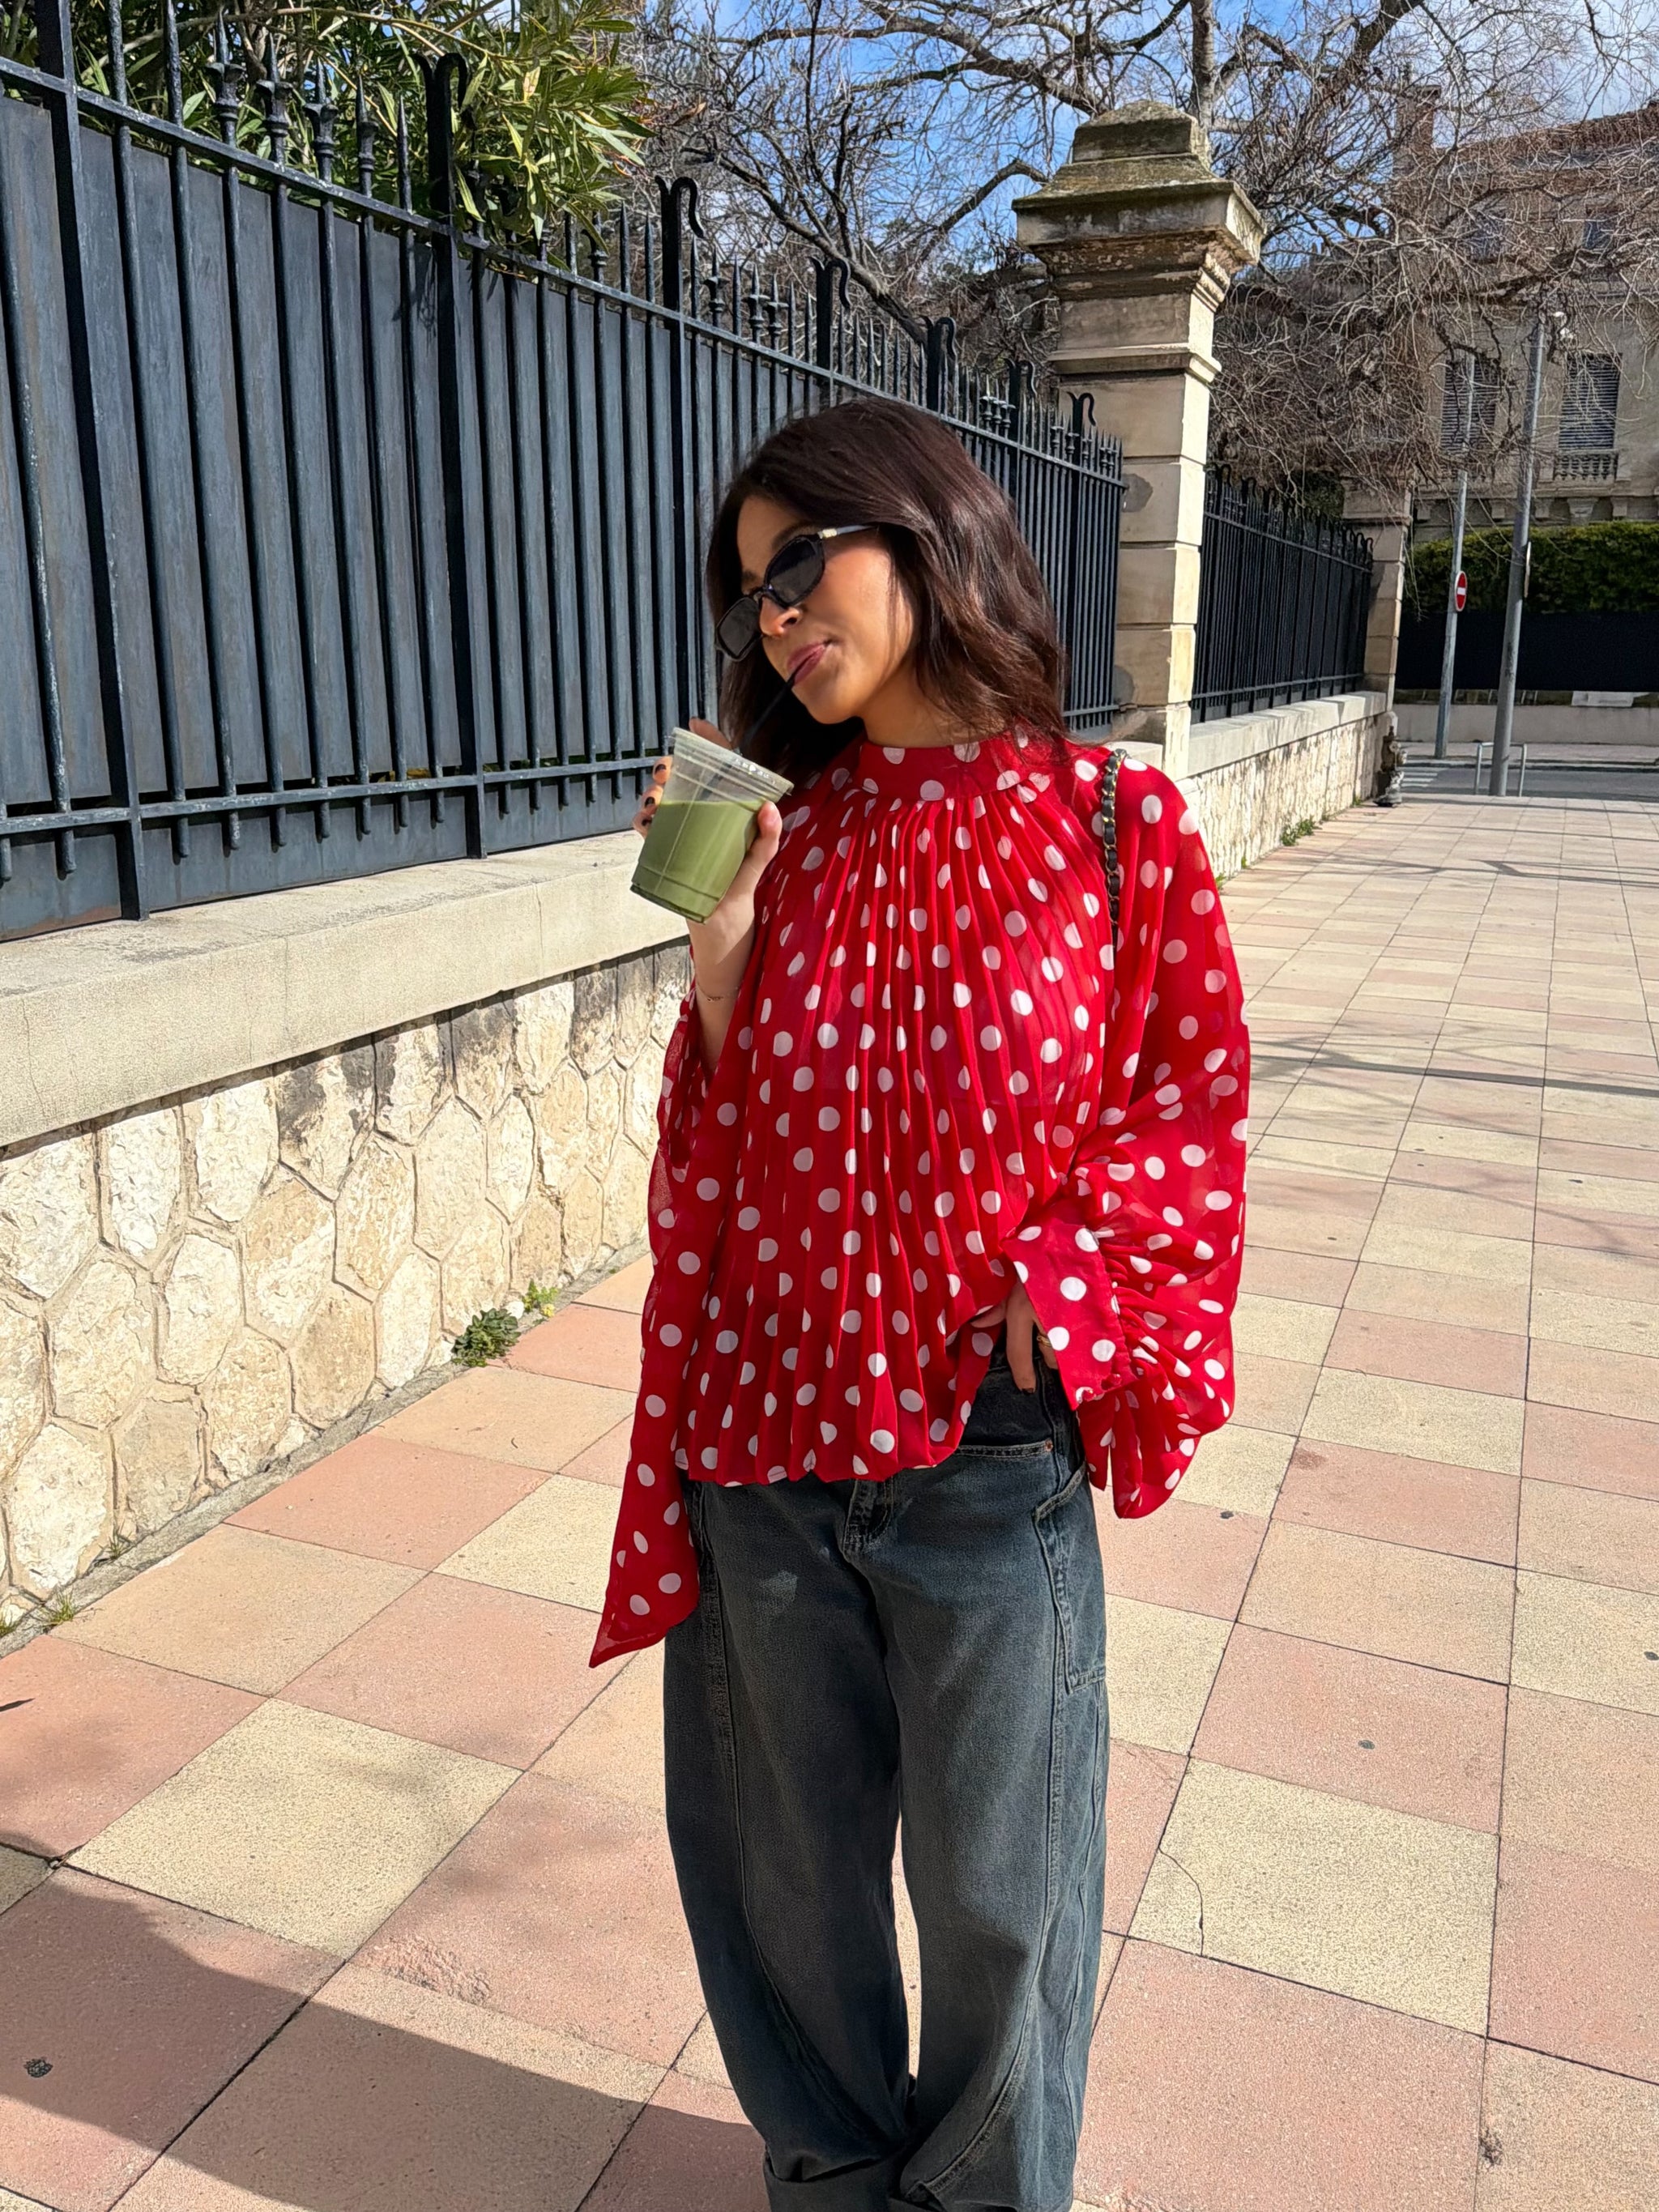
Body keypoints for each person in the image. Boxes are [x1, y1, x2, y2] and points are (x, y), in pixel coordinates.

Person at [595, 395, 1247, 2212]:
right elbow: (729, 1143)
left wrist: (1072, 1288)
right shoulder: (783, 832)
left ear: (921, 526)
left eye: (798, 565)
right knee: (784, 1876)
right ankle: (828, 2176)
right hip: (765, 1433)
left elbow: (1183, 1099)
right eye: (751, 601)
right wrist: (719, 942)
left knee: (1000, 1892)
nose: (778, 622)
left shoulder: (1112, 823)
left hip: (982, 1447)